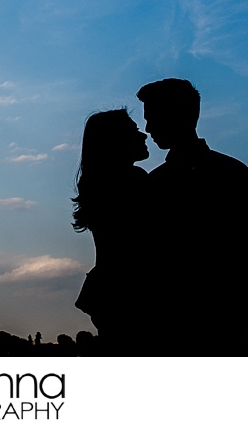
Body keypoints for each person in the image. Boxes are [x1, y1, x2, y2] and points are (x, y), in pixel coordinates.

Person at [136, 78, 248, 355]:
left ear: (180, 116)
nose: (148, 128)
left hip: (194, 327)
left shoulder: (156, 184)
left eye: (153, 118)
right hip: (223, 322)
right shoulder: (233, 173)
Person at [71, 109, 150, 349]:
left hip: (110, 294)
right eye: (134, 130)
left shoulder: (99, 186)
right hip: (132, 295)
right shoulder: (133, 181)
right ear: (116, 141)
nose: (143, 135)